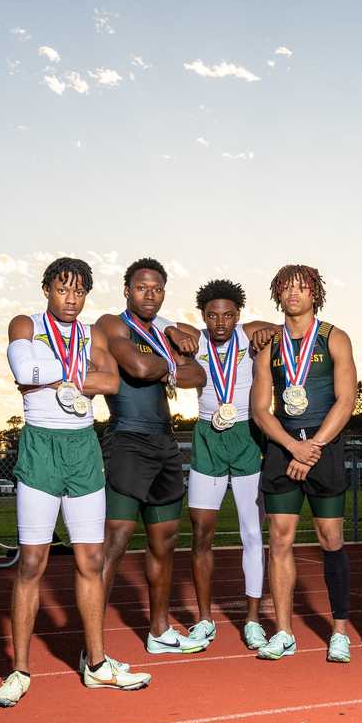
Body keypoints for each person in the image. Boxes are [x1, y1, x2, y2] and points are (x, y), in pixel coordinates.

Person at [0, 257, 151, 708]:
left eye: (79, 292)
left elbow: (114, 382)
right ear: (47, 289)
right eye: (63, 290)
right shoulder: (26, 322)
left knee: (91, 559)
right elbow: (22, 372)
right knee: (32, 564)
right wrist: (78, 376)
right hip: (41, 445)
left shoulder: (92, 334)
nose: (71, 299)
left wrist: (58, 374)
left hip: (83, 447)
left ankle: (97, 664)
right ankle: (19, 669)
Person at [95, 259, 208, 654]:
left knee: (165, 541)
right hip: (127, 440)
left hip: (164, 443)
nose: (150, 295)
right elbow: (138, 367)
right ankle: (92, 645)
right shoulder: (112, 323)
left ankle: (159, 631)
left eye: (157, 289)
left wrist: (172, 362)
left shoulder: (164, 331)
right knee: (116, 542)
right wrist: (175, 362)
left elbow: (200, 377)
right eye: (142, 287)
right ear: (127, 289)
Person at [251, 264, 357, 662]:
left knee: (331, 538)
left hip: (323, 441)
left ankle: (340, 632)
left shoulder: (335, 338)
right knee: (279, 539)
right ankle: (283, 632)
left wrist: (312, 446)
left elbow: (346, 401)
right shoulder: (269, 344)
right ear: (278, 294)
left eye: (302, 287)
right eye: (287, 288)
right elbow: (261, 409)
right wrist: (292, 447)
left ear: (316, 293)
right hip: (282, 443)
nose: (294, 293)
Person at [173, 279, 277, 649]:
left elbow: (288, 328)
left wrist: (269, 328)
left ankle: (252, 620)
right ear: (202, 316)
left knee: (252, 533)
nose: (221, 322)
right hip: (207, 436)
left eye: (229, 315)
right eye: (213, 315)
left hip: (248, 434)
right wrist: (172, 328)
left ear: (239, 316)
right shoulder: (193, 339)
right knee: (202, 534)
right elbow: (162, 325)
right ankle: (204, 619)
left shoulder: (251, 335)